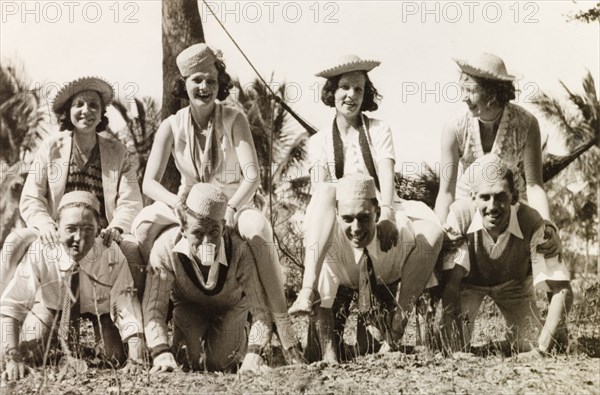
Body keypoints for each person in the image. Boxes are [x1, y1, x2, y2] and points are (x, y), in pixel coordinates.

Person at [132, 43, 300, 362]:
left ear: (219, 83)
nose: (205, 87)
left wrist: (232, 208)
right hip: (187, 203)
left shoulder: (234, 118)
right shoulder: (172, 125)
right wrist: (176, 204)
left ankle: (287, 334)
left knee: (258, 231)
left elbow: (251, 176)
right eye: (197, 80)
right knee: (142, 229)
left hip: (235, 200)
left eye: (211, 80)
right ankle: (146, 329)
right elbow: (149, 182)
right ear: (184, 84)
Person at [289, 54, 443, 316]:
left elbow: (386, 174)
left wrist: (386, 214)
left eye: (359, 89)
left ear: (366, 94)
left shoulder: (378, 130)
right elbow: (319, 191)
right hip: (338, 217)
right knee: (326, 190)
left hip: (378, 210)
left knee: (431, 231)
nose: (352, 95)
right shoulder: (320, 141)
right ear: (332, 92)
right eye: (345, 87)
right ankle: (306, 290)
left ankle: (400, 318)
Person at [1, 76, 144, 297]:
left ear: (101, 114)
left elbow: (131, 200)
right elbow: (32, 197)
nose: (86, 110)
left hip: (102, 233)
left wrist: (117, 227)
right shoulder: (51, 147)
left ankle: (137, 319)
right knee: (14, 241)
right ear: (68, 112)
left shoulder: (118, 152)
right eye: (79, 104)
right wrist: (46, 225)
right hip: (59, 232)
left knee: (132, 250)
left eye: (94, 105)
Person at [0, 191, 145, 381]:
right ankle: (54, 339)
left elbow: (125, 301)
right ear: (56, 227)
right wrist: (12, 358)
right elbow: (11, 305)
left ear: (99, 228)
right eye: (70, 229)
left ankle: (92, 342)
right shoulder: (41, 250)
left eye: (87, 229)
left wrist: (136, 353)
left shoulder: (110, 252)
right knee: (32, 351)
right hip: (52, 305)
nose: (79, 238)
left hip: (99, 310)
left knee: (115, 356)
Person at [440, 154, 572, 354]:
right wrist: (456, 349)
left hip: (514, 288)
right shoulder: (460, 215)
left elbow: (562, 290)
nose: (492, 207)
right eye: (485, 197)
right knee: (446, 344)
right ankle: (483, 345)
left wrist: (542, 351)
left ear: (515, 197)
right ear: (473, 198)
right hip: (469, 286)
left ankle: (526, 338)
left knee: (535, 343)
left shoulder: (533, 222)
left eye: (501, 196)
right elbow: (451, 285)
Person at [434, 52, 561, 257]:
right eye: (462, 89)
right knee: (445, 249)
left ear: (492, 93)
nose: (463, 97)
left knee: (546, 242)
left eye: (470, 90)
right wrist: (440, 230)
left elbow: (534, 185)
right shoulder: (454, 128)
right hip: (469, 207)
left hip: (510, 206)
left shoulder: (526, 124)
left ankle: (556, 288)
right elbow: (446, 192)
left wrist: (548, 225)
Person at [303, 174, 436, 364]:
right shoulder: (326, 238)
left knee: (369, 349)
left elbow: (432, 241)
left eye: (364, 218)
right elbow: (323, 302)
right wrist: (329, 357)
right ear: (337, 216)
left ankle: (378, 337)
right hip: (340, 287)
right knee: (318, 352)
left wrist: (397, 330)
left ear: (378, 214)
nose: (356, 228)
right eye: (347, 219)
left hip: (380, 284)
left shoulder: (400, 234)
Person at [142, 183, 272, 373]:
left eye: (213, 233)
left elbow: (261, 309)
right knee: (189, 360)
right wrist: (160, 351)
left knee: (221, 363)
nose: (206, 242)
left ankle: (240, 334)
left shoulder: (239, 251)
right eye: (197, 233)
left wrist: (255, 352)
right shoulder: (165, 249)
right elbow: (153, 307)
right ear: (183, 229)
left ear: (223, 228)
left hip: (231, 306)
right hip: (189, 306)